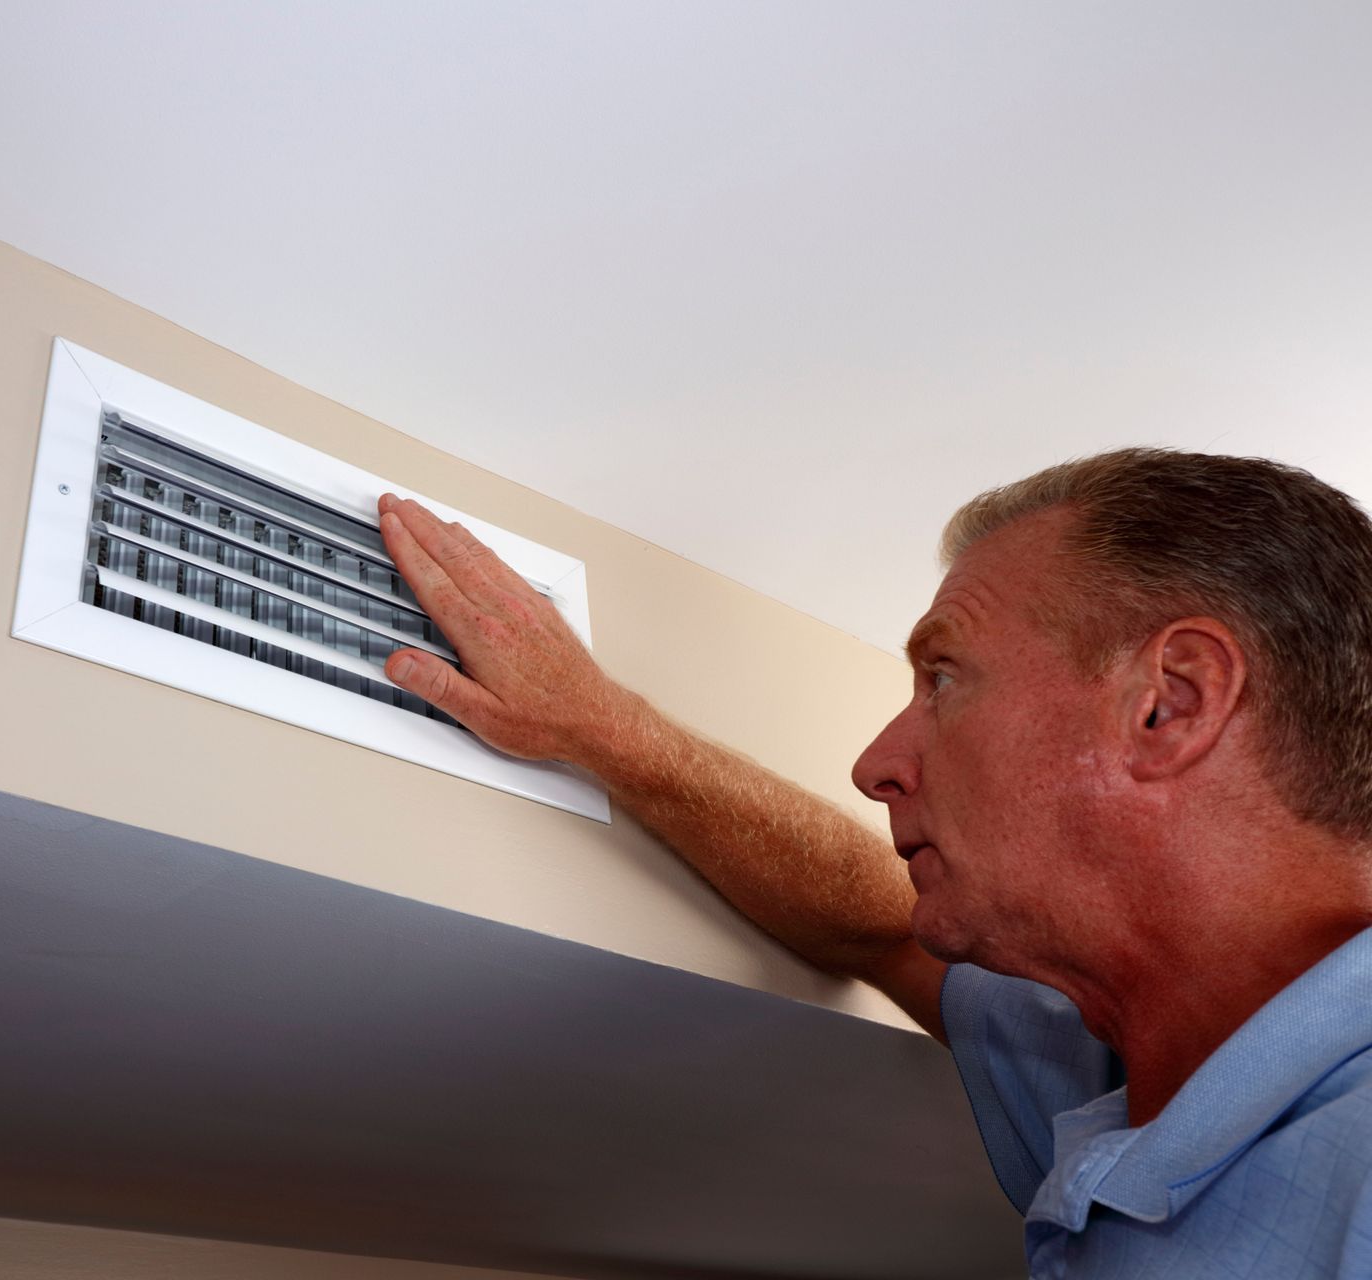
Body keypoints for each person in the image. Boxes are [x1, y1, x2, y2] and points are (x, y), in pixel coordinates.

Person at [375, 448, 1372, 1278]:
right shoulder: (1097, 1071)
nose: (875, 764)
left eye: (944, 675)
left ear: (1172, 703)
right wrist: (608, 733)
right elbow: (875, 919)